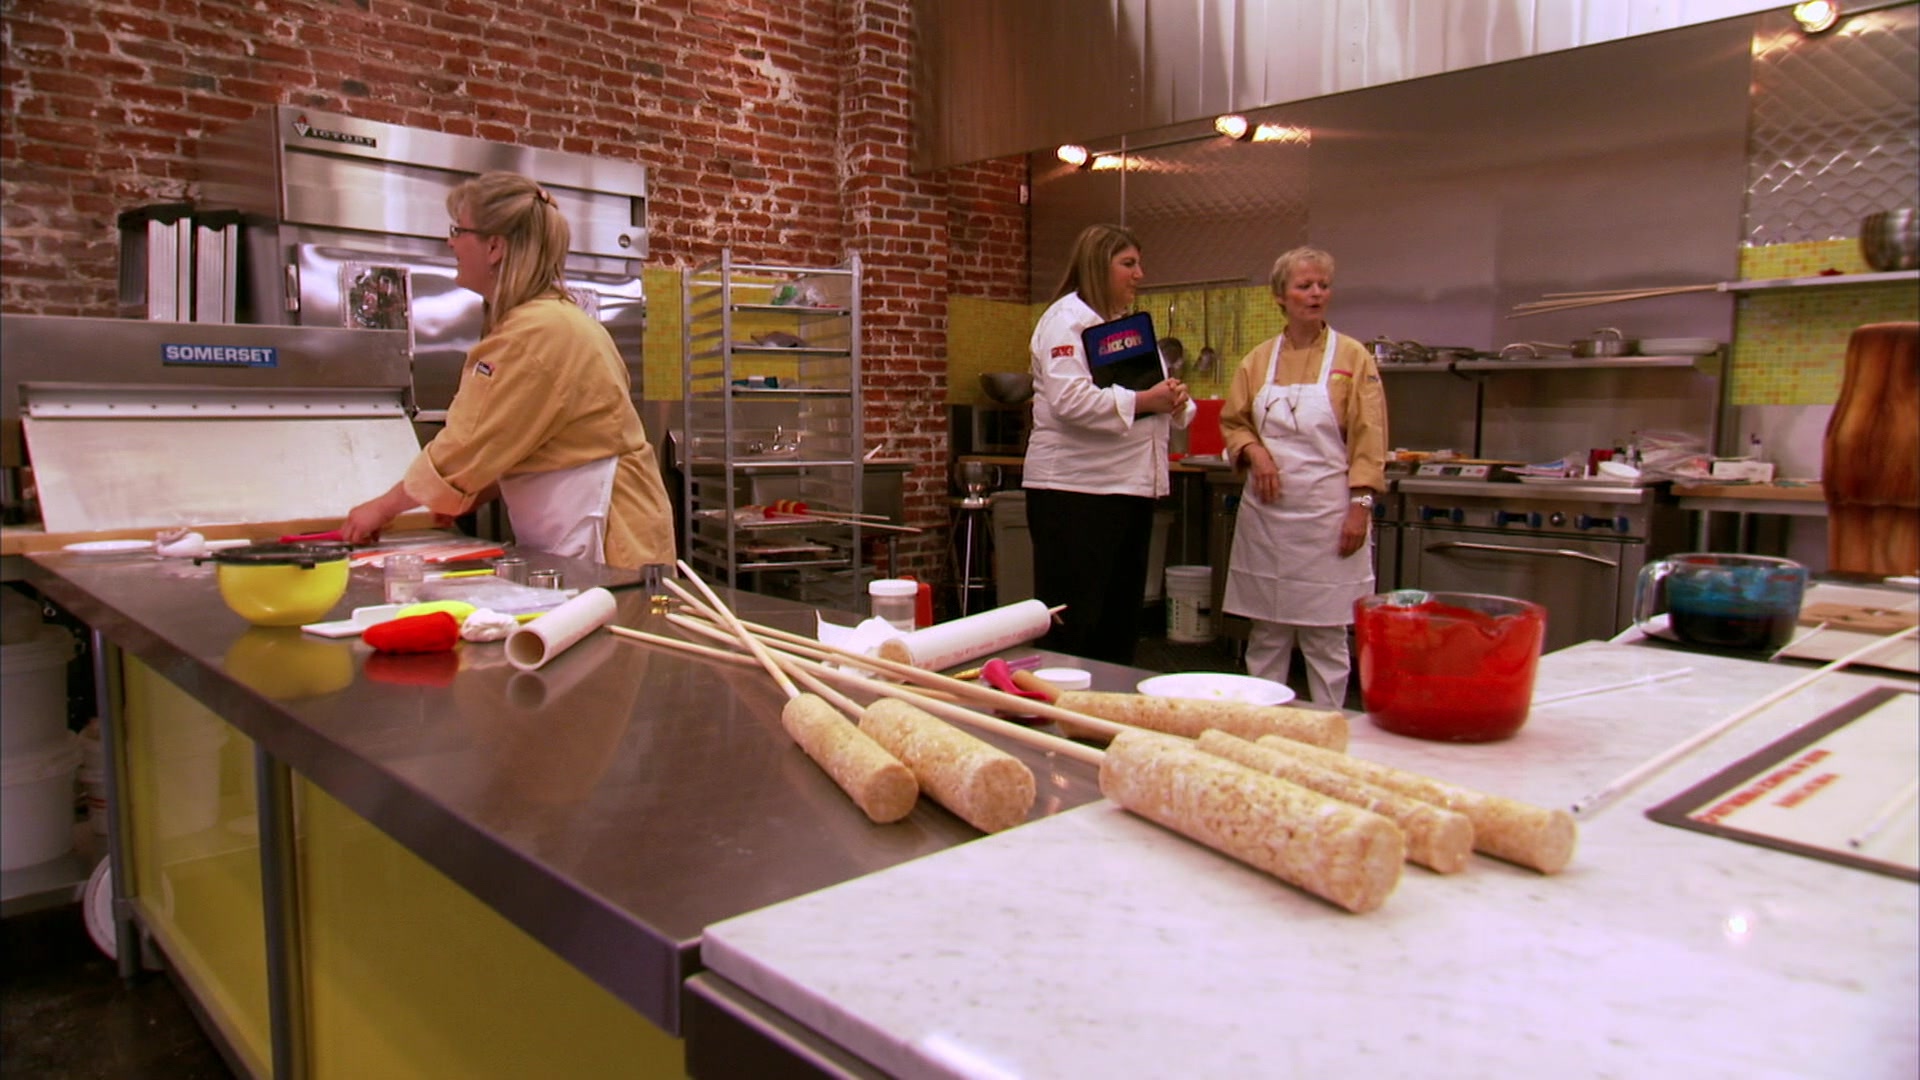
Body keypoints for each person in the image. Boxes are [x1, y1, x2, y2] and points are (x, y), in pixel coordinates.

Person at [340, 172, 675, 569]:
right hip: (604, 527)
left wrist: (381, 508)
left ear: (495, 246)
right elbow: (536, 441)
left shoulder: (534, 333)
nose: (450, 242)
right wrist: (470, 492)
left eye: (458, 230)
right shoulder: (554, 321)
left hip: (610, 538)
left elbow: (465, 444)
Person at [1220, 246, 1387, 707]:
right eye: (1305, 286)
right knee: (1267, 633)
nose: (1316, 294)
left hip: (1328, 516)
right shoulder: (1257, 361)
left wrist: (1360, 507)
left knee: (1325, 637)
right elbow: (1234, 422)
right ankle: (1261, 719)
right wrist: (1254, 451)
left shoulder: (1353, 358)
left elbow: (1370, 438)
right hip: (1268, 519)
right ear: (1280, 296)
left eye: (1323, 285)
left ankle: (1329, 720)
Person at [1023, 223, 1194, 664]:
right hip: (1075, 493)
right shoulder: (1065, 321)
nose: (1140, 274)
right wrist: (1145, 400)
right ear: (1099, 265)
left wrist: (1174, 399)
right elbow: (1070, 400)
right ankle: (1061, 704)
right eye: (1128, 263)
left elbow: (1149, 390)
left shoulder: (1126, 328)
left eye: (1139, 263)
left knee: (1118, 623)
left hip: (1128, 489)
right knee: (1076, 624)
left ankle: (1108, 703)